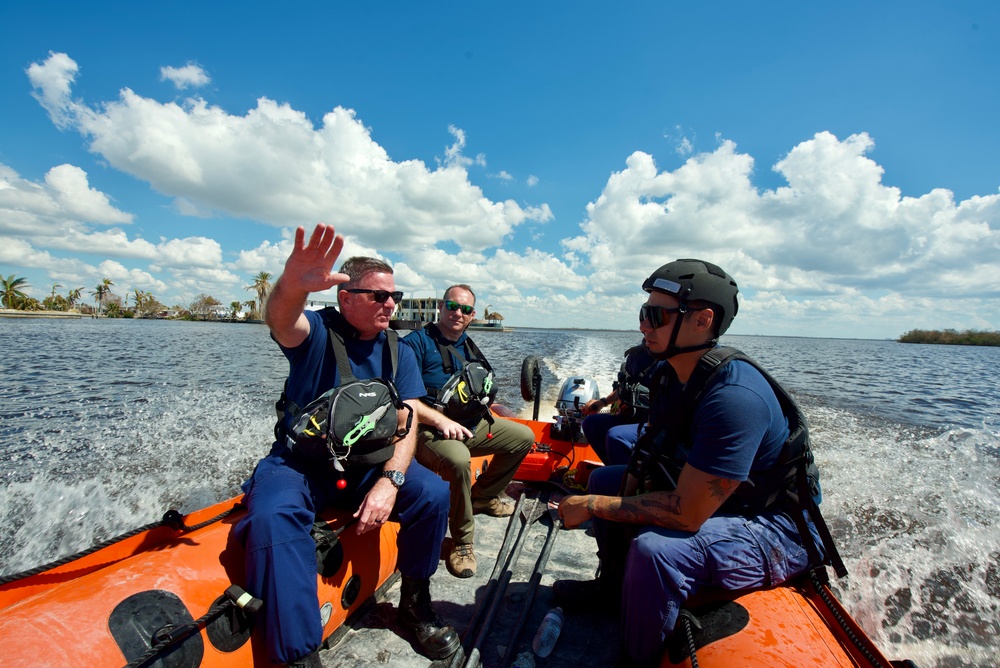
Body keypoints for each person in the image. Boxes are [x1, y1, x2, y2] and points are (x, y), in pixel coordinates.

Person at [553, 259, 841, 667]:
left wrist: (594, 507)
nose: (643, 326)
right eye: (643, 313)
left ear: (703, 319)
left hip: (775, 524)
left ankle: (636, 658)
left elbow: (687, 514)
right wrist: (611, 498)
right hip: (720, 501)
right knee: (605, 480)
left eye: (656, 315)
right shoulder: (670, 375)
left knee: (657, 552)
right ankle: (612, 589)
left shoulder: (735, 398)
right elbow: (647, 451)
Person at [234, 224, 459, 666]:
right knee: (273, 516)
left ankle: (414, 607)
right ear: (346, 297)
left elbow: (407, 418)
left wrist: (392, 480)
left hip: (368, 464)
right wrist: (291, 286)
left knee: (432, 493)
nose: (390, 304)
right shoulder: (316, 333)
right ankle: (299, 655)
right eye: (378, 296)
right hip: (302, 465)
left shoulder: (399, 349)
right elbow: (282, 319)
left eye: (393, 296)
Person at [401, 285, 534, 579]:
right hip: (427, 431)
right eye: (451, 306)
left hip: (471, 423)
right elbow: (403, 400)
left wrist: (493, 405)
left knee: (524, 437)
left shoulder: (467, 344)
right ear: (441, 307)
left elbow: (475, 386)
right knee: (459, 459)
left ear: (473, 315)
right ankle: (462, 542)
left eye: (464, 309)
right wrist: (439, 421)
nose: (457, 313)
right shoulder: (415, 344)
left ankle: (484, 497)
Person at [580, 342, 658, 466]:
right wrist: (602, 402)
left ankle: (626, 481)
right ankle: (614, 469)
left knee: (616, 435)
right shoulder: (637, 356)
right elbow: (624, 388)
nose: (645, 327)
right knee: (591, 423)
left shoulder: (672, 360)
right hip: (630, 417)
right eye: (643, 322)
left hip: (655, 425)